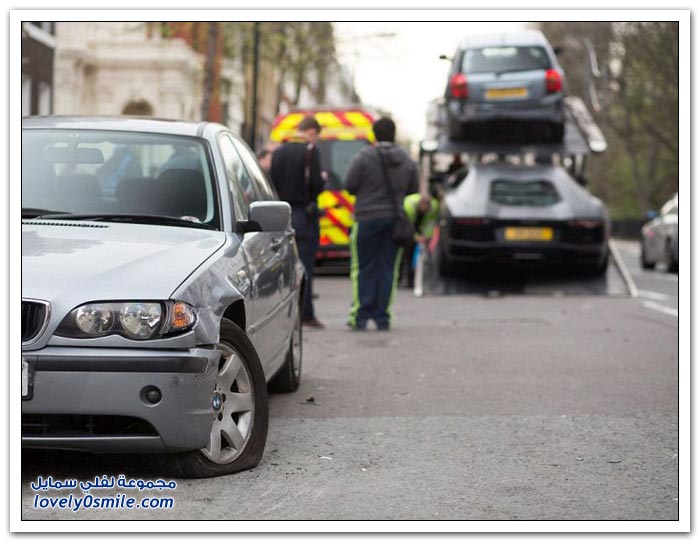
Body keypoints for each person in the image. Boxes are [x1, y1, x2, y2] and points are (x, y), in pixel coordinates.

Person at [345, 117, 419, 331]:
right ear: (394, 135)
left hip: (366, 219)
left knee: (362, 268)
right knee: (388, 268)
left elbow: (349, 185)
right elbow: (413, 189)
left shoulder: (363, 156)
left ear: (374, 134)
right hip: (394, 221)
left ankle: (360, 316)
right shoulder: (407, 160)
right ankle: (382, 317)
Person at [270, 116, 325, 329]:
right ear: (311, 132)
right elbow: (316, 184)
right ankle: (306, 314)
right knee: (305, 267)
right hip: (304, 217)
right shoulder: (311, 152)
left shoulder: (278, 152)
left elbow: (272, 182)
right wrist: (322, 180)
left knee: (284, 268)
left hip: (282, 216)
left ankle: (282, 314)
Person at [401, 190, 440, 288]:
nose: (424, 210)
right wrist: (416, 237)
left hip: (420, 224)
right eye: (423, 208)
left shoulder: (434, 206)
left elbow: (430, 223)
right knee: (406, 252)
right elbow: (409, 225)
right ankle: (402, 278)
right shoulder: (409, 206)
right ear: (420, 205)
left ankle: (412, 279)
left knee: (416, 253)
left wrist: (426, 236)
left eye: (426, 209)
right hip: (406, 224)